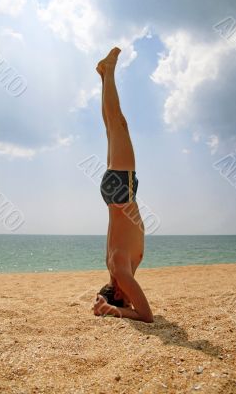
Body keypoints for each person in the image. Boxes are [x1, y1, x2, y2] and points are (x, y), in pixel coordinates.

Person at [93, 47, 153, 323]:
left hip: (121, 192)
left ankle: (109, 70)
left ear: (119, 290)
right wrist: (106, 302)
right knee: (112, 127)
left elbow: (145, 315)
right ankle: (105, 75)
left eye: (126, 295)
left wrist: (115, 309)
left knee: (118, 124)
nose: (131, 294)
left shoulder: (119, 270)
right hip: (116, 193)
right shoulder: (114, 267)